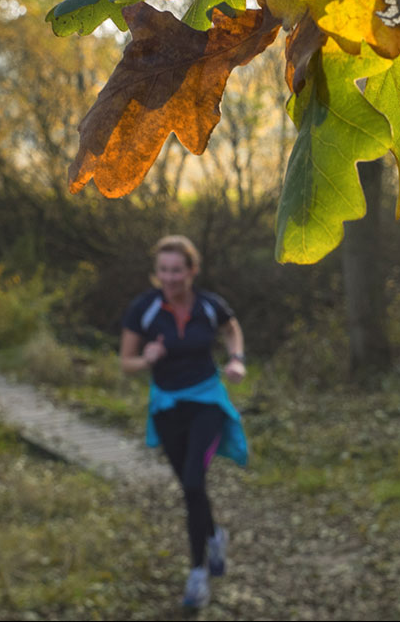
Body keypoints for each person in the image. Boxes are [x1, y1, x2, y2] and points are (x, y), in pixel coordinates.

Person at [120, 234, 249, 610]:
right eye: (163, 270)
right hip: (166, 407)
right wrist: (147, 358)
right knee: (190, 489)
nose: (170, 277)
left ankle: (197, 575)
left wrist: (237, 357)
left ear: (191, 271)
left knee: (194, 481)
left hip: (206, 401)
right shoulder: (143, 309)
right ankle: (214, 536)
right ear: (156, 273)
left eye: (177, 270)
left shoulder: (210, 306)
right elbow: (125, 362)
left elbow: (231, 327)